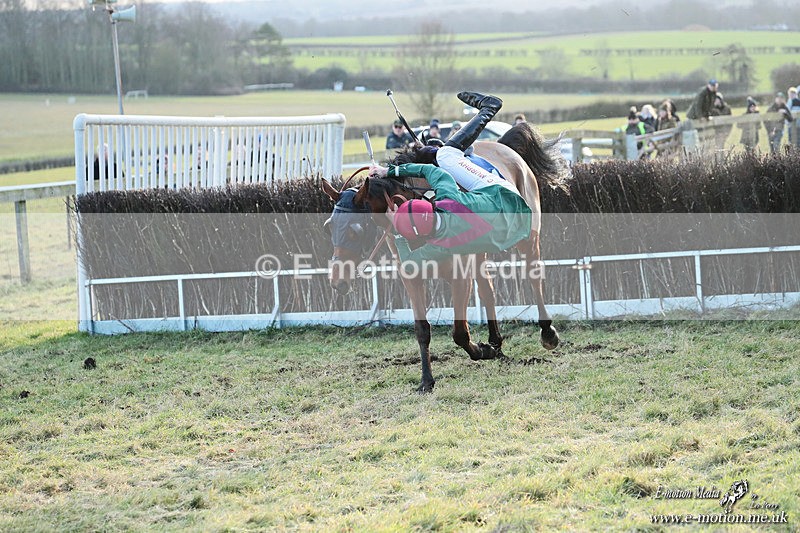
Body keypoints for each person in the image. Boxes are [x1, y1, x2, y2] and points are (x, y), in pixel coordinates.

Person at [369, 92, 531, 268]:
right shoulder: (448, 198)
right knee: (445, 154)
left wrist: (397, 230)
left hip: (515, 232)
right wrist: (389, 171)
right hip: (509, 200)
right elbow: (428, 169)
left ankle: (489, 108)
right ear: (431, 206)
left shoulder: (440, 247)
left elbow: (408, 263)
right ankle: (489, 108)